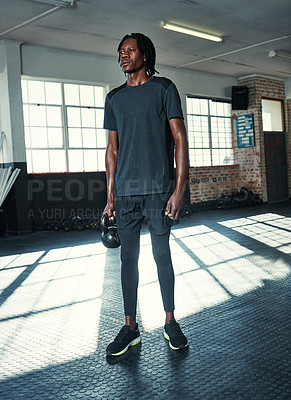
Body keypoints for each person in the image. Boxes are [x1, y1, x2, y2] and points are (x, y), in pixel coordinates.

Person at [103, 32, 189, 356]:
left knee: (161, 255)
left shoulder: (164, 89)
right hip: (125, 193)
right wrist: (110, 196)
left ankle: (170, 321)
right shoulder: (114, 98)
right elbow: (112, 150)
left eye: (130, 50)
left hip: (158, 189)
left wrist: (179, 191)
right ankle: (130, 327)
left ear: (144, 54)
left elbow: (180, 139)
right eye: (120, 51)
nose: (124, 55)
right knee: (128, 259)